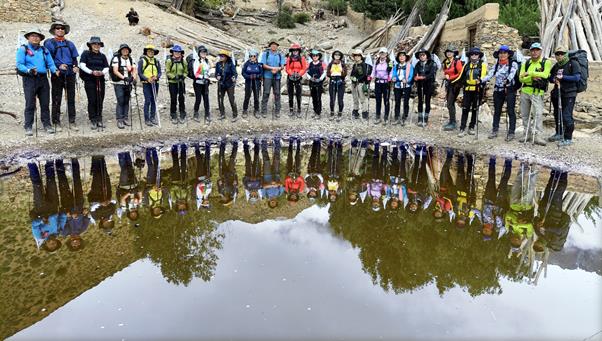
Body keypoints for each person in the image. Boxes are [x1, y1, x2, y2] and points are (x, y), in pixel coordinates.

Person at [16, 28, 58, 136]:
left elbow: (51, 63)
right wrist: (28, 70)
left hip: (43, 79)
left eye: (37, 36)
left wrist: (55, 70)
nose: (35, 38)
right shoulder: (23, 49)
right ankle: (28, 126)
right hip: (30, 78)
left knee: (45, 103)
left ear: (40, 38)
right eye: (33, 36)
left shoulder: (44, 50)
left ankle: (47, 124)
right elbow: (19, 64)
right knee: (30, 103)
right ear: (28, 37)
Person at [45, 20, 79, 132]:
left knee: (71, 98)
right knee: (56, 98)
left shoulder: (70, 44)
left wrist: (75, 66)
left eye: (62, 28)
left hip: (70, 73)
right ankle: (56, 121)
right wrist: (57, 66)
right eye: (58, 28)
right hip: (57, 73)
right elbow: (47, 59)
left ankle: (72, 121)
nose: (60, 30)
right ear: (54, 30)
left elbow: (74, 58)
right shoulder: (49, 43)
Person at [481, 45, 519, 141]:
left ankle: (511, 132)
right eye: (500, 53)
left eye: (504, 53)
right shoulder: (497, 64)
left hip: (509, 90)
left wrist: (508, 80)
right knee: (497, 110)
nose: (502, 55)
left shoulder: (513, 64)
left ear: (508, 54)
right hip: (498, 90)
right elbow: (490, 74)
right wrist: (481, 80)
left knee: (510, 110)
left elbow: (512, 74)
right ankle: (495, 129)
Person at [519, 42, 552, 146]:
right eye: (533, 50)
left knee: (537, 114)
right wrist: (532, 78)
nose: (534, 52)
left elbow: (545, 75)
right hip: (525, 91)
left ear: (540, 51)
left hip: (537, 92)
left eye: (537, 50)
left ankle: (537, 135)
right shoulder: (526, 63)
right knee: (525, 114)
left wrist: (529, 74)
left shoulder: (546, 62)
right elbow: (521, 78)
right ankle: (527, 133)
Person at [549, 46, 581, 147]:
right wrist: (554, 80)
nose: (559, 56)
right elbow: (550, 77)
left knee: (566, 116)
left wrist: (563, 77)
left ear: (566, 54)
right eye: (557, 54)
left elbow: (577, 77)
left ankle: (568, 138)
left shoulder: (573, 63)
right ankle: (559, 133)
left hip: (569, 93)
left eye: (561, 53)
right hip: (558, 93)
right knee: (557, 114)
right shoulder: (557, 65)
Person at [57, 158, 90, 250]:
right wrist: (84, 212)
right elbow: (87, 216)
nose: (75, 243)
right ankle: (74, 160)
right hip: (79, 203)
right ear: (80, 241)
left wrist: (68, 216)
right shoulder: (83, 229)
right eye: (78, 245)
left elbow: (61, 221)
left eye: (73, 245)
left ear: (69, 243)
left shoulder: (64, 233)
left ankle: (58, 161)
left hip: (66, 206)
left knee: (62, 182)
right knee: (77, 181)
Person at [28, 161, 61, 251]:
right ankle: (49, 162)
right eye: (54, 245)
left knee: (37, 185)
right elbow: (61, 217)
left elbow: (34, 225)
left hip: (40, 210)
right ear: (57, 242)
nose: (52, 244)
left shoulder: (39, 236)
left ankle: (31, 163)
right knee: (51, 182)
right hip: (53, 207)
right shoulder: (58, 232)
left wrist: (41, 220)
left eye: (50, 246)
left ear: (46, 245)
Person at [535, 169, 570, 251]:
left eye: (535, 245)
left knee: (548, 189)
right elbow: (559, 230)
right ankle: (564, 174)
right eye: (539, 247)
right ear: (543, 247)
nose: (537, 244)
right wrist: (546, 227)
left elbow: (535, 219)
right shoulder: (552, 240)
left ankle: (554, 173)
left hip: (543, 208)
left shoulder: (538, 233)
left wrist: (537, 223)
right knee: (558, 192)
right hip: (555, 212)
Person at [507, 162, 538, 252]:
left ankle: (523, 167)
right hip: (526, 207)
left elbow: (508, 215)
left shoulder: (508, 228)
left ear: (510, 240)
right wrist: (517, 223)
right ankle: (534, 169)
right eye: (517, 243)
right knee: (530, 188)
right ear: (521, 242)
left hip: (514, 205)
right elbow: (529, 225)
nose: (515, 241)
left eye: (513, 242)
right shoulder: (527, 234)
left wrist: (516, 220)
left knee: (517, 184)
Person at [79, 36, 109, 130]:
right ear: (90, 45)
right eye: (94, 44)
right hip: (89, 80)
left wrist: (102, 72)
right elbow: (82, 65)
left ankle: (99, 118)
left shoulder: (102, 56)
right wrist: (92, 72)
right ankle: (93, 119)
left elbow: (106, 67)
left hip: (100, 79)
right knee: (92, 99)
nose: (96, 45)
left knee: (100, 99)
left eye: (98, 44)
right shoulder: (85, 54)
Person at [458, 47, 487, 137]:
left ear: (479, 56)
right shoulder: (466, 66)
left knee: (475, 109)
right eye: (472, 54)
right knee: (465, 109)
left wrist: (480, 81)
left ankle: (471, 127)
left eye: (476, 54)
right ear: (470, 56)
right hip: (467, 90)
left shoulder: (483, 65)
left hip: (477, 90)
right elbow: (461, 77)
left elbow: (483, 77)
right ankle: (462, 128)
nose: (474, 56)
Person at [481, 156, 512, 240]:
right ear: (492, 232)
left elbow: (479, 210)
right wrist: (493, 221)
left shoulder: (482, 221)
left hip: (488, 198)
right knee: (504, 181)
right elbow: (499, 217)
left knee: (491, 179)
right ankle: (509, 163)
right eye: (488, 233)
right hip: (499, 201)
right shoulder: (498, 226)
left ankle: (492, 160)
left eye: (484, 232)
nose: (486, 231)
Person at [111, 43, 137, 129]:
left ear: (128, 51)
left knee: (126, 100)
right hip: (119, 83)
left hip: (128, 83)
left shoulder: (131, 59)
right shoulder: (116, 58)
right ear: (120, 51)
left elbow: (134, 70)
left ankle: (125, 118)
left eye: (126, 49)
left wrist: (133, 78)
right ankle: (119, 119)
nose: (125, 51)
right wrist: (124, 78)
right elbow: (115, 71)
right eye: (123, 50)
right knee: (120, 100)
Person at [88, 155, 116, 233]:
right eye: (109, 224)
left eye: (106, 225)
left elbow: (92, 208)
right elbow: (115, 202)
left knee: (97, 177)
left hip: (96, 195)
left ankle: (95, 160)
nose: (107, 222)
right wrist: (109, 201)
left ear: (102, 224)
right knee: (105, 175)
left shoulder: (96, 217)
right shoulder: (112, 212)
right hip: (107, 193)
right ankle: (102, 159)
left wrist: (100, 203)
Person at [261, 41, 286, 119]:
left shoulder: (280, 55)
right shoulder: (266, 54)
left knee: (277, 94)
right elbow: (263, 65)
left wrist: (278, 69)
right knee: (266, 93)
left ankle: (277, 111)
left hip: (277, 77)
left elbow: (282, 66)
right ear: (270, 46)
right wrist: (272, 68)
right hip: (267, 76)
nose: (274, 46)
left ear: (277, 46)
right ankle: (264, 110)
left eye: (275, 45)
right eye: (272, 45)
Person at [138, 44, 162, 126]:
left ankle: (152, 117)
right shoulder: (142, 61)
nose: (151, 52)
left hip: (155, 83)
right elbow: (140, 73)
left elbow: (159, 72)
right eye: (149, 51)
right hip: (146, 84)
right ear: (146, 52)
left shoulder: (156, 61)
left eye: (152, 51)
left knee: (154, 101)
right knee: (147, 101)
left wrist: (156, 77)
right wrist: (147, 79)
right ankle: (147, 119)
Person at [441, 45, 463, 131]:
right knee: (450, 103)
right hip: (449, 85)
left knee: (450, 103)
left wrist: (450, 78)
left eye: (451, 52)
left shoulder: (457, 62)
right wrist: (445, 76)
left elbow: (460, 73)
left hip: (455, 85)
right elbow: (445, 72)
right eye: (447, 52)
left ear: (454, 53)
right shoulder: (446, 62)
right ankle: (452, 121)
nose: (449, 53)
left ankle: (453, 122)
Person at [413, 49, 436, 127]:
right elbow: (415, 72)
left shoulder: (432, 64)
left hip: (429, 85)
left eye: (423, 55)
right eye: (420, 55)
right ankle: (419, 118)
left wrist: (423, 77)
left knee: (427, 101)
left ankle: (425, 118)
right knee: (420, 101)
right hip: (420, 85)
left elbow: (431, 74)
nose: (422, 56)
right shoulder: (417, 64)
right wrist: (415, 77)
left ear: (426, 56)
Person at [117, 151, 142, 221]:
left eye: (132, 215)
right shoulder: (138, 204)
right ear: (137, 213)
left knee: (124, 169)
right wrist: (139, 196)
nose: (133, 214)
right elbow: (140, 192)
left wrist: (129, 193)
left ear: (129, 214)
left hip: (124, 185)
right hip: (134, 184)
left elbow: (122, 199)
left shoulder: (125, 207)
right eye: (135, 215)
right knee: (130, 168)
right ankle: (127, 153)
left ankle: (121, 153)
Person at [143, 147, 168, 219]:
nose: (157, 211)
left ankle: (147, 152)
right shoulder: (162, 201)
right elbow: (166, 191)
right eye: (159, 212)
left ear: (153, 211)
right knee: (157, 166)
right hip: (159, 182)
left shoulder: (148, 203)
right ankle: (154, 151)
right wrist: (162, 188)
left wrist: (151, 188)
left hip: (150, 183)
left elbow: (144, 192)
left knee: (150, 167)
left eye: (156, 212)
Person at [166, 45, 188, 124]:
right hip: (172, 83)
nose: (177, 53)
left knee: (181, 98)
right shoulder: (169, 61)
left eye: (179, 52)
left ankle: (182, 112)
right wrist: (174, 76)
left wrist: (183, 76)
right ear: (173, 53)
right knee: (173, 98)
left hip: (181, 82)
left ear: (181, 53)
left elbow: (186, 71)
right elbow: (167, 72)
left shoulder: (183, 61)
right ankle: (173, 114)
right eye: (175, 52)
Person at [369, 47, 391, 125]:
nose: (382, 54)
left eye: (384, 53)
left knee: (386, 100)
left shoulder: (389, 62)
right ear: (379, 54)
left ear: (386, 54)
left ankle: (386, 117)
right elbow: (373, 71)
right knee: (378, 100)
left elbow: (391, 72)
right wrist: (371, 77)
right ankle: (378, 116)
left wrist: (390, 77)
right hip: (378, 82)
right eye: (381, 53)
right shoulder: (377, 62)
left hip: (386, 83)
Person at [190, 45, 211, 124]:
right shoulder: (196, 61)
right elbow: (196, 73)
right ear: (199, 53)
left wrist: (207, 77)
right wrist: (203, 77)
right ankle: (195, 113)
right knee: (198, 98)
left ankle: (207, 114)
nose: (203, 53)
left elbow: (208, 70)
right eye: (202, 52)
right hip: (198, 82)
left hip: (205, 82)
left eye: (205, 52)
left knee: (206, 98)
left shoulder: (207, 61)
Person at [215, 49, 238, 122]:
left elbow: (235, 73)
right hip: (221, 84)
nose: (221, 57)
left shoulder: (231, 64)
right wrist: (217, 76)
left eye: (223, 56)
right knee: (220, 99)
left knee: (231, 99)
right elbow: (216, 73)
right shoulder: (218, 64)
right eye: (220, 56)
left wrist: (234, 78)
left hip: (229, 84)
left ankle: (235, 115)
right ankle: (222, 114)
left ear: (226, 57)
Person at [285, 43, 307, 118]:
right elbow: (287, 68)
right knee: (290, 94)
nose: (295, 52)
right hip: (290, 77)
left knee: (298, 94)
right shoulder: (289, 59)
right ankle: (291, 109)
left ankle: (299, 109)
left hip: (298, 78)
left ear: (299, 51)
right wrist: (291, 74)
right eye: (293, 50)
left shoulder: (302, 59)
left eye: (296, 50)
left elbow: (304, 68)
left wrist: (299, 74)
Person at [391, 51, 413, 125]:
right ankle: (396, 117)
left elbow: (411, 75)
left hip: (406, 86)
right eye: (400, 56)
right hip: (397, 86)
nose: (401, 57)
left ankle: (404, 117)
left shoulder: (409, 66)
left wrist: (407, 80)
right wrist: (394, 78)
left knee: (406, 102)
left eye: (403, 55)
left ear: (406, 57)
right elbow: (394, 74)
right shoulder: (396, 66)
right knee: (397, 101)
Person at [261, 137, 284, 208]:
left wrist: (271, 185)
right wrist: (276, 184)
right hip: (276, 174)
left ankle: (264, 143)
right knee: (277, 158)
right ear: (277, 202)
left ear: (269, 202)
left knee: (266, 160)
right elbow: (281, 185)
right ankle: (277, 142)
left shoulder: (265, 195)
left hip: (267, 175)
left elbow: (263, 186)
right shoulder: (279, 193)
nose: (273, 203)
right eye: (274, 204)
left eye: (271, 204)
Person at [349, 49, 371, 121]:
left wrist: (357, 79)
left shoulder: (363, 64)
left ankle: (364, 112)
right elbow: (352, 74)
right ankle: (355, 111)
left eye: (358, 55)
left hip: (361, 83)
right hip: (354, 84)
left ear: (361, 56)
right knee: (355, 98)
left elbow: (364, 75)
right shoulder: (355, 65)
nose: (356, 57)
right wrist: (352, 78)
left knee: (362, 99)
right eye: (355, 55)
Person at [241, 49, 263, 119]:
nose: (252, 57)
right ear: (249, 56)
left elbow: (261, 73)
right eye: (251, 56)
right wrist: (248, 76)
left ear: (256, 56)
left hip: (256, 82)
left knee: (256, 96)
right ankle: (245, 110)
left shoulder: (259, 64)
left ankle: (256, 110)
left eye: (254, 56)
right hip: (248, 82)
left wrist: (257, 76)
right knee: (247, 96)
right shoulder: (246, 63)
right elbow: (243, 73)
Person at [305, 50, 327, 119]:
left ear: (319, 56)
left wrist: (320, 79)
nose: (315, 57)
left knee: (318, 98)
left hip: (319, 83)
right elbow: (307, 72)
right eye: (313, 56)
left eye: (316, 55)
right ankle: (315, 110)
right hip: (312, 82)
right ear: (312, 57)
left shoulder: (321, 64)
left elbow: (324, 72)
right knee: (313, 97)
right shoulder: (310, 64)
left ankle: (318, 112)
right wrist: (310, 78)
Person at [218, 139, 239, 206]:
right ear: (228, 199)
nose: (223, 199)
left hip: (222, 174)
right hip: (231, 173)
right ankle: (235, 144)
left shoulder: (220, 192)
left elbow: (218, 182)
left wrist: (219, 182)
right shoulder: (233, 193)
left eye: (222, 200)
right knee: (232, 159)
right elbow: (236, 183)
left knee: (221, 158)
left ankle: (222, 144)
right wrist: (235, 181)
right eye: (224, 200)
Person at [170, 144, 190, 215]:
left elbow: (172, 189)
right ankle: (183, 149)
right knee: (183, 164)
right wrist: (186, 187)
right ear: (186, 206)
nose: (182, 206)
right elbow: (189, 189)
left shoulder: (174, 200)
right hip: (184, 180)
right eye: (183, 208)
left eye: (180, 208)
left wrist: (178, 187)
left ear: (177, 207)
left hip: (175, 180)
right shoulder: (187, 199)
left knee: (175, 164)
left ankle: (174, 149)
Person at [327, 50, 346, 121]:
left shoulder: (343, 64)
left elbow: (345, 74)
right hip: (332, 82)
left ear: (340, 56)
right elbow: (328, 73)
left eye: (338, 55)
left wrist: (340, 72)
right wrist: (332, 75)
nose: (337, 56)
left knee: (340, 99)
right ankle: (332, 113)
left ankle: (340, 113)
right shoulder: (330, 63)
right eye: (335, 55)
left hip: (341, 82)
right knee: (332, 99)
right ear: (333, 56)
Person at [368, 141, 388, 212]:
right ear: (379, 204)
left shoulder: (370, 195)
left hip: (374, 178)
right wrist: (384, 186)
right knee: (383, 162)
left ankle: (376, 145)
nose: (375, 204)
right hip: (381, 179)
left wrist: (369, 182)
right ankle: (385, 148)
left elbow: (368, 186)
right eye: (377, 205)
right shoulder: (382, 197)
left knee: (375, 161)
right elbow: (386, 187)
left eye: (374, 205)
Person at [284, 136, 305, 203]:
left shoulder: (287, 190)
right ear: (296, 197)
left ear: (290, 197)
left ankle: (291, 142)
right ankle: (298, 143)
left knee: (289, 156)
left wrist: (291, 178)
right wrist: (297, 178)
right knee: (297, 157)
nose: (293, 197)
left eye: (291, 198)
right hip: (297, 173)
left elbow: (286, 181)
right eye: (294, 198)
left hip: (289, 173)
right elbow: (302, 181)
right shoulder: (300, 190)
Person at [243, 139, 263, 203]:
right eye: (255, 196)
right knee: (256, 157)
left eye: (252, 196)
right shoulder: (259, 187)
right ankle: (256, 144)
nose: (253, 195)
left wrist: (249, 178)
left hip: (248, 172)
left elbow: (244, 179)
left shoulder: (247, 187)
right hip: (257, 172)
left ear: (250, 195)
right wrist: (257, 178)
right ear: (257, 195)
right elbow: (262, 179)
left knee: (248, 159)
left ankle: (245, 145)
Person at [194, 141, 212, 209]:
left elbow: (198, 186)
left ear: (202, 203)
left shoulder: (199, 196)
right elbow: (210, 185)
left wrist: (205, 183)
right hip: (207, 177)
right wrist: (209, 182)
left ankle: (196, 147)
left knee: (200, 162)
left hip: (200, 177)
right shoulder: (208, 194)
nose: (207, 202)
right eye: (208, 203)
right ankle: (208, 146)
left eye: (206, 203)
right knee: (207, 161)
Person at [325, 138, 343, 202]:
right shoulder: (339, 189)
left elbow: (324, 180)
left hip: (329, 172)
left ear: (329, 196)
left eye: (331, 198)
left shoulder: (327, 189)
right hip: (338, 172)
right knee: (338, 158)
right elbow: (342, 181)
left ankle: (330, 144)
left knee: (330, 158)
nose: (333, 197)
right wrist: (337, 179)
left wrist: (328, 179)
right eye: (334, 198)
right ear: (336, 197)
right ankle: (339, 144)